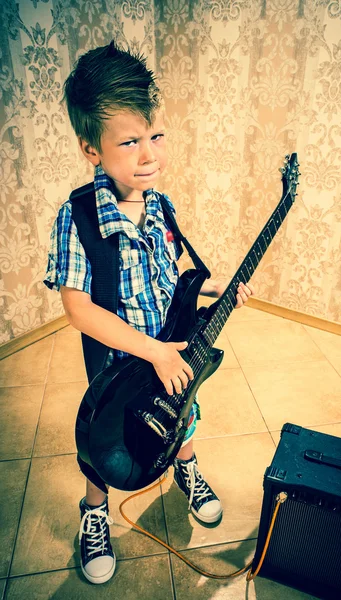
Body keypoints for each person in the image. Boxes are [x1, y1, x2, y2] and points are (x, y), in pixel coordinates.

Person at [43, 40, 253, 585]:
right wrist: (151, 352)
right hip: (119, 367)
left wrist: (219, 299)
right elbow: (78, 309)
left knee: (183, 410)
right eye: (130, 142)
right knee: (102, 443)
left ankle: (186, 468)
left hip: (170, 352)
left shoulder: (160, 205)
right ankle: (95, 512)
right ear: (92, 150)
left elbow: (172, 286)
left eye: (155, 136)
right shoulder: (79, 216)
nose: (149, 155)